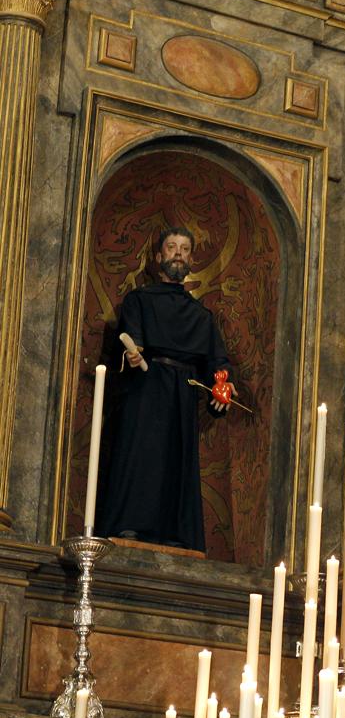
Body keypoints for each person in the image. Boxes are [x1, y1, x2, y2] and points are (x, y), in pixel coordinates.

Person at [97, 226, 235, 551]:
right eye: (172, 247)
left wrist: (223, 390)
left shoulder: (202, 316)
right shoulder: (139, 300)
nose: (178, 253)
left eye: (184, 249)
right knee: (140, 456)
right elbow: (130, 339)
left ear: (190, 260)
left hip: (182, 395)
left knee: (178, 463)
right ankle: (128, 524)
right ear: (159, 257)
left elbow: (219, 364)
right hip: (145, 389)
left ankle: (176, 534)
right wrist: (131, 356)